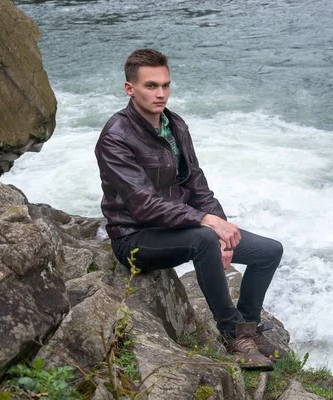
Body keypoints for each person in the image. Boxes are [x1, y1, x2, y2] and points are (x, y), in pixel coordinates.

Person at [95, 49, 285, 371]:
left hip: (179, 227)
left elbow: (198, 187)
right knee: (204, 240)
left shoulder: (175, 126)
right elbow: (142, 204)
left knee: (268, 251)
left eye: (165, 85)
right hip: (134, 238)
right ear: (130, 89)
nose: (161, 94)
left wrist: (222, 228)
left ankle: (249, 327)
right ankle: (233, 337)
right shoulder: (115, 137)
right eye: (151, 86)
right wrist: (204, 222)